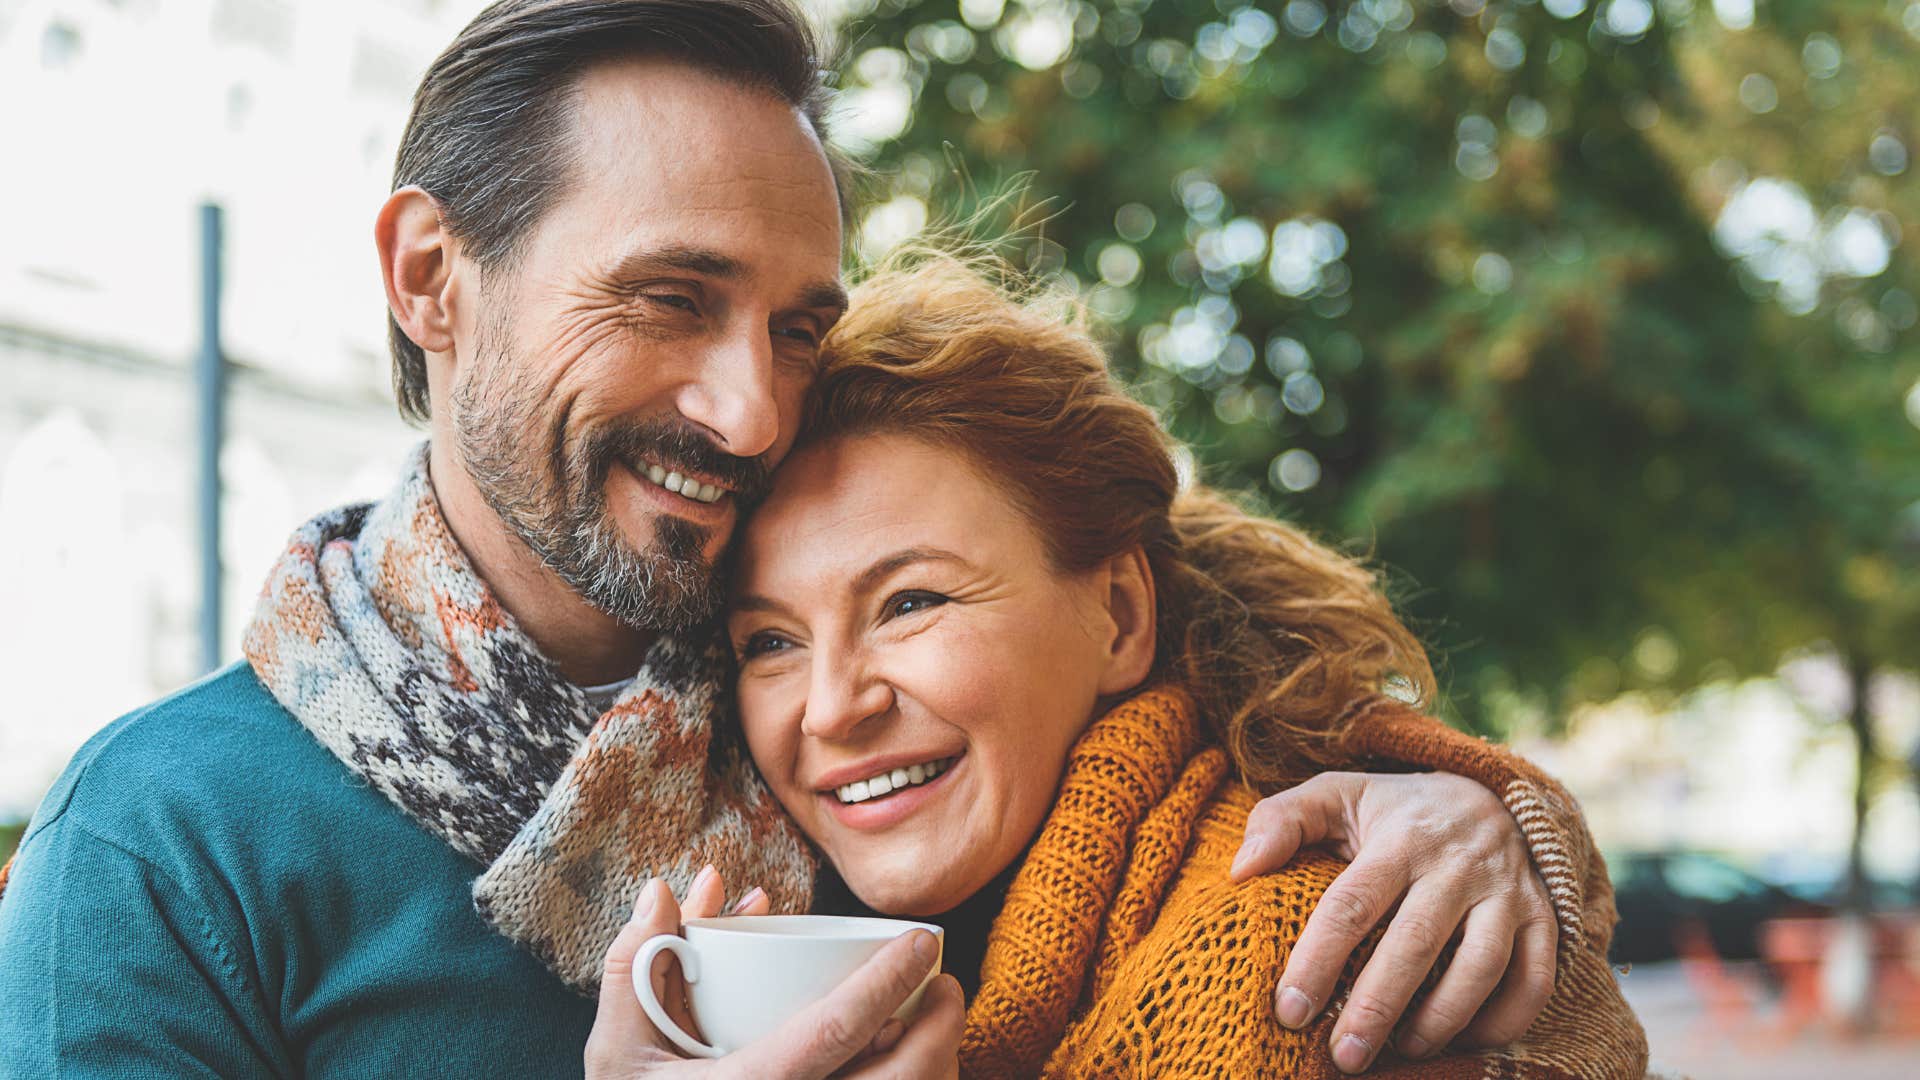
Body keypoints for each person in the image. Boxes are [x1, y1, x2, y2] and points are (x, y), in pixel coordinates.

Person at [0, 2, 1596, 1075]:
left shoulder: (890, 783)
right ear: (431, 277)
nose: (753, 413)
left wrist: (1491, 823)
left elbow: (1200, 672)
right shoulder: (167, 848)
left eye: (796, 328)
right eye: (669, 298)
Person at [588, 255, 1648, 1077]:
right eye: (769, 641)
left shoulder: (1280, 946)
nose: (831, 709)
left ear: (1121, 615)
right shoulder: (748, 907)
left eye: (911, 602)